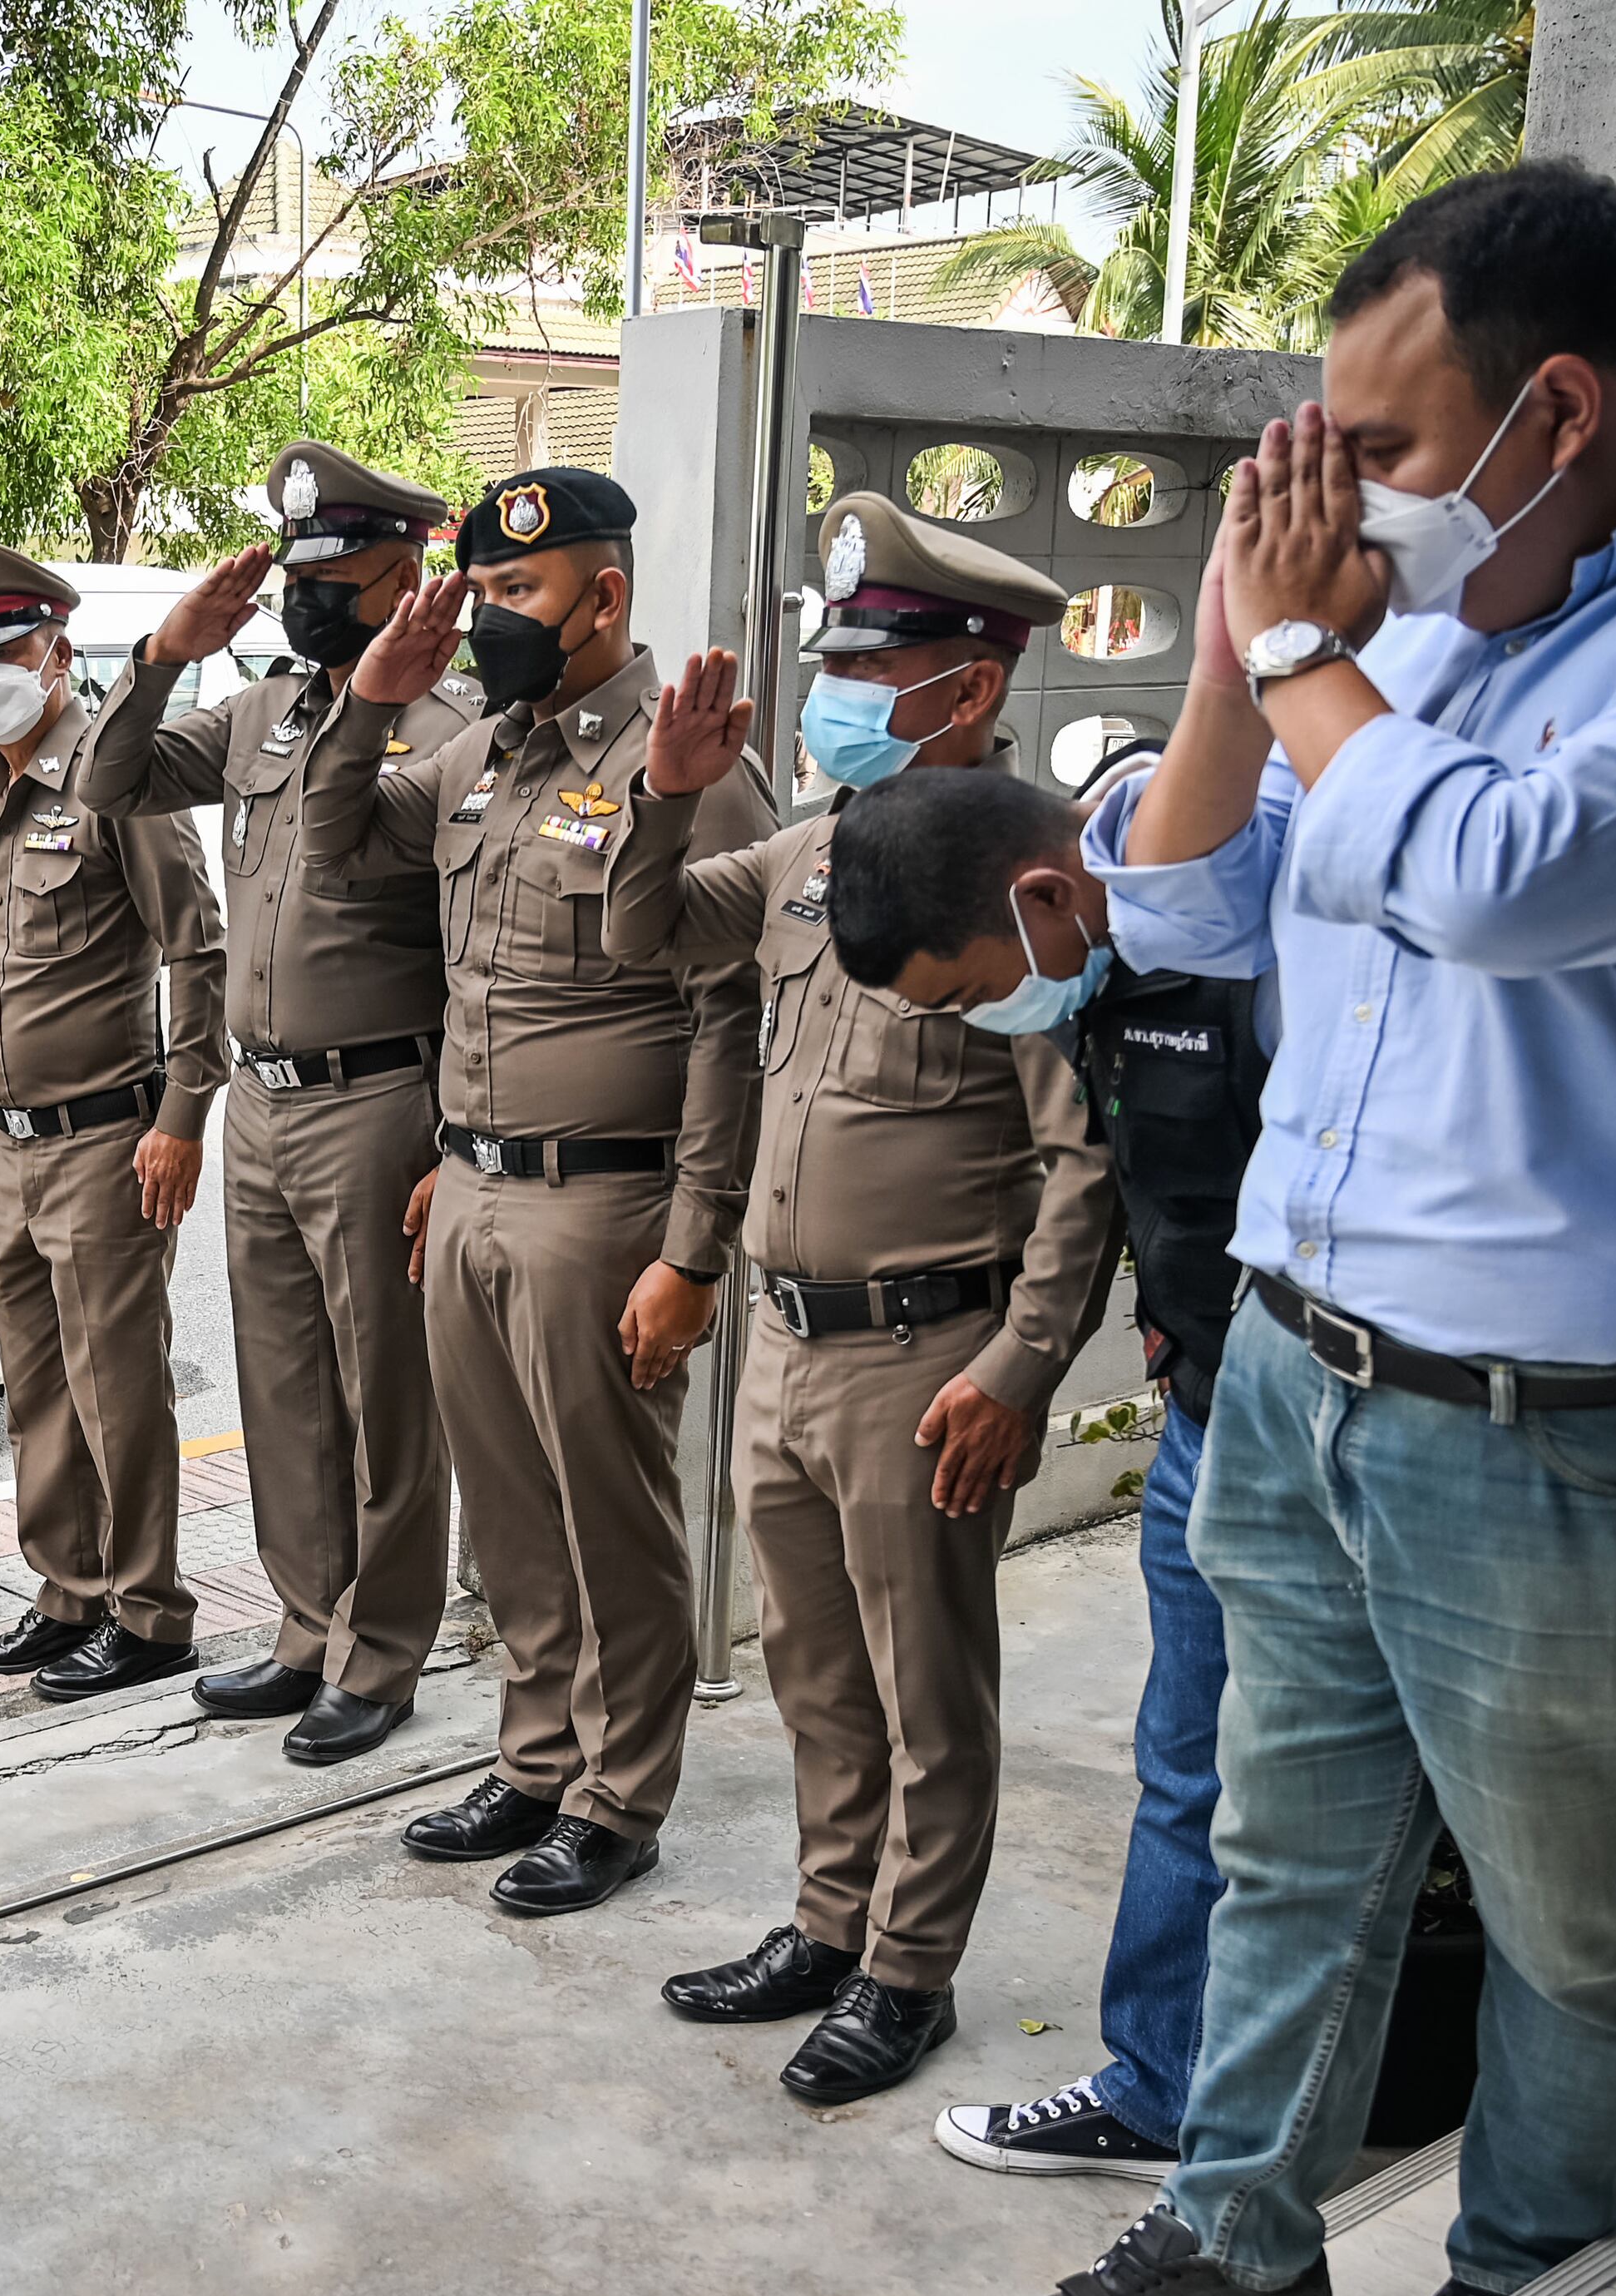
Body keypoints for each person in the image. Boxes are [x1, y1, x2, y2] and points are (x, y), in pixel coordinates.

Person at [961, 166, 1616, 2296]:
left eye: (1384, 452)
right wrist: (1242, 646)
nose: (1347, 502)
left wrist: (1318, 650)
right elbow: (1195, 921)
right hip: (1314, 1374)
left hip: (1592, 1439)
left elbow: (1503, 880)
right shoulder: (1418, 633)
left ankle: (1523, 2281)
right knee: (1283, 1848)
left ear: (1563, 412)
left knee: (1566, 1904)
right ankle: (1239, 2240)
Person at [607, 496, 1121, 2105]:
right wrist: (663, 803)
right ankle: (832, 1922)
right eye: (830, 658)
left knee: (927, 1686)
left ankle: (913, 1969)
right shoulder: (809, 856)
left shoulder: (1012, 886)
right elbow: (645, 942)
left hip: (925, 1354)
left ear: (967, 692)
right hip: (787, 1339)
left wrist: (1026, 1364)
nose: (834, 689)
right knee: (815, 1671)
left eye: (868, 666)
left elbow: (1084, 1161)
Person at [296, 467, 772, 1915]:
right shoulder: (488, 754)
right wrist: (373, 698)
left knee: (608, 1514)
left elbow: (731, 1023)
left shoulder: (685, 765)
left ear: (604, 598)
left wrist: (693, 1249)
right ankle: (539, 1750)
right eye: (483, 592)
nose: (492, 617)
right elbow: (333, 845)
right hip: (476, 1190)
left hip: (605, 1208)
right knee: (505, 1507)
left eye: (519, 594)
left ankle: (621, 1796)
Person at [819, 764, 1274, 2183]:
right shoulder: (1088, 981)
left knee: (1331, 1796)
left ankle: (1297, 2125)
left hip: (1345, 1421)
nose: (968, 1024)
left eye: (963, 996)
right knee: (1187, 1766)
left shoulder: (1256, 949)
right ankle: (1158, 2088)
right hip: (1212, 1407)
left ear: (1040, 897)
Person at [77, 443, 490, 1764]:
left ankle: (383, 1649)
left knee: (386, 1393)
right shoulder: (258, 714)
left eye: (337, 576)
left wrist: (447, 1133)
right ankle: (309, 1626)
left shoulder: (454, 729)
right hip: (257, 1099)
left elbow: (483, 953)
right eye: (297, 578)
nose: (308, 599)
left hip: (379, 1098)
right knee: (283, 1388)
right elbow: (108, 781)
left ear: (405, 576)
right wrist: (163, 651)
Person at [0, 540, 229, 1704]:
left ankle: (151, 1610)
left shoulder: (118, 776)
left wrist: (184, 1112)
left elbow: (195, 946)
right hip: (8, 1137)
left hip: (111, 1135)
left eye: (4, 652)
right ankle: (68, 1592)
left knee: (119, 1383)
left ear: (58, 651)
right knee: (39, 1386)